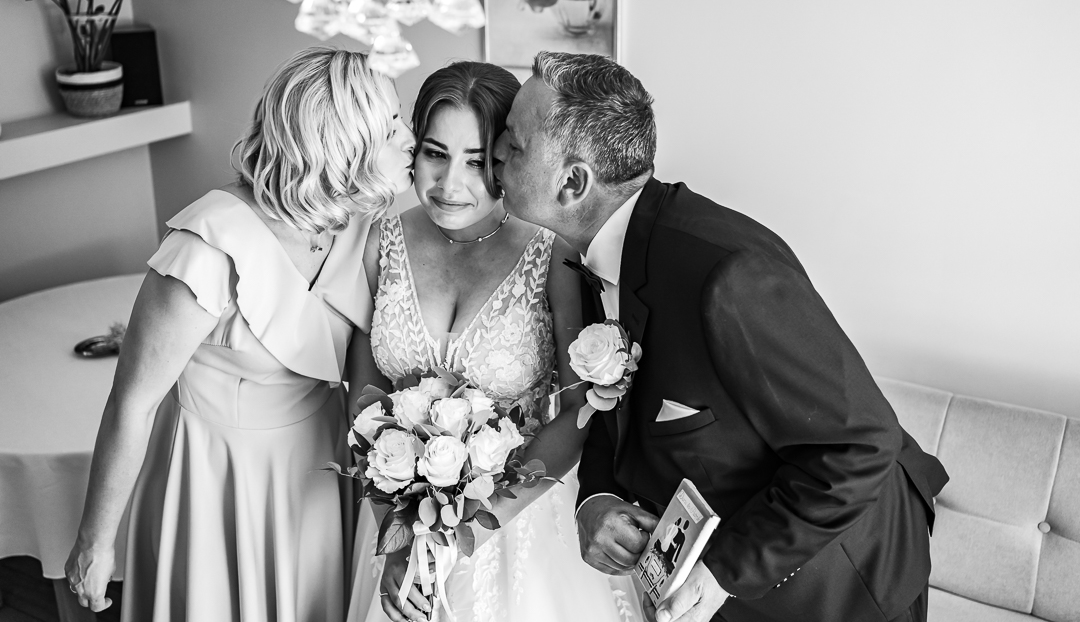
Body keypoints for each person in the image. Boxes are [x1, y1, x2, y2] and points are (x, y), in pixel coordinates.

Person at [492, 51, 950, 622]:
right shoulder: (596, 252)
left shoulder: (726, 278)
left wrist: (721, 574)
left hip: (844, 582)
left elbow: (860, 446)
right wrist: (597, 497)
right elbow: (614, 403)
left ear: (573, 182)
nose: (497, 152)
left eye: (515, 142)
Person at [64, 47, 417, 622]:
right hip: (213, 482)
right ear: (341, 143)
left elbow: (363, 387)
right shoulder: (209, 243)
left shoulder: (361, 230)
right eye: (392, 125)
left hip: (319, 478)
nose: (410, 139)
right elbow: (132, 404)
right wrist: (94, 543)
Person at [346, 60, 643, 622]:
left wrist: (458, 536)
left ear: (507, 157)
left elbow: (579, 412)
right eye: (435, 153)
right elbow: (363, 395)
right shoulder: (380, 239)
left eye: (477, 161)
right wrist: (400, 531)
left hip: (520, 526)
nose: (449, 184)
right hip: (402, 524)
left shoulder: (552, 253)